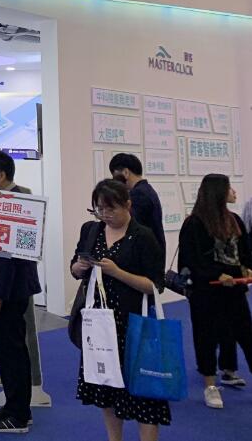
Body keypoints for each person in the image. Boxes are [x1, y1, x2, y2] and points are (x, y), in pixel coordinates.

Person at [71, 179, 168, 441]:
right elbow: (75, 267)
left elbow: (154, 285)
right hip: (99, 323)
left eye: (111, 208)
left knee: (144, 391)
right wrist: (79, 267)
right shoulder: (91, 230)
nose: (105, 214)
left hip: (134, 324)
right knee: (107, 388)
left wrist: (117, 272)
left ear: (128, 204)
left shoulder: (143, 236)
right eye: (99, 209)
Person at [0, 151, 41, 434]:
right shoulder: (1, 200)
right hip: (3, 288)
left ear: (2, 175)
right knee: (8, 349)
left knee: (11, 350)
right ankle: (16, 406)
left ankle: (17, 415)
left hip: (9, 291)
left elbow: (9, 256)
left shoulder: (15, 203)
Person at [179, 174, 252, 408]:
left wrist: (248, 268)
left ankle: (229, 371)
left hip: (234, 291)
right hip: (206, 293)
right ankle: (210, 385)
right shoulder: (194, 224)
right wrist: (216, 275)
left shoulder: (235, 220)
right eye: (229, 188)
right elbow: (190, 260)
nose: (234, 192)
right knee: (206, 337)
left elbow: (245, 252)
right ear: (218, 193)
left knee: (246, 334)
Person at [109, 154, 165, 255]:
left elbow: (132, 225)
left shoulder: (138, 194)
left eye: (115, 176)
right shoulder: (147, 189)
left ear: (126, 172)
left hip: (146, 253)